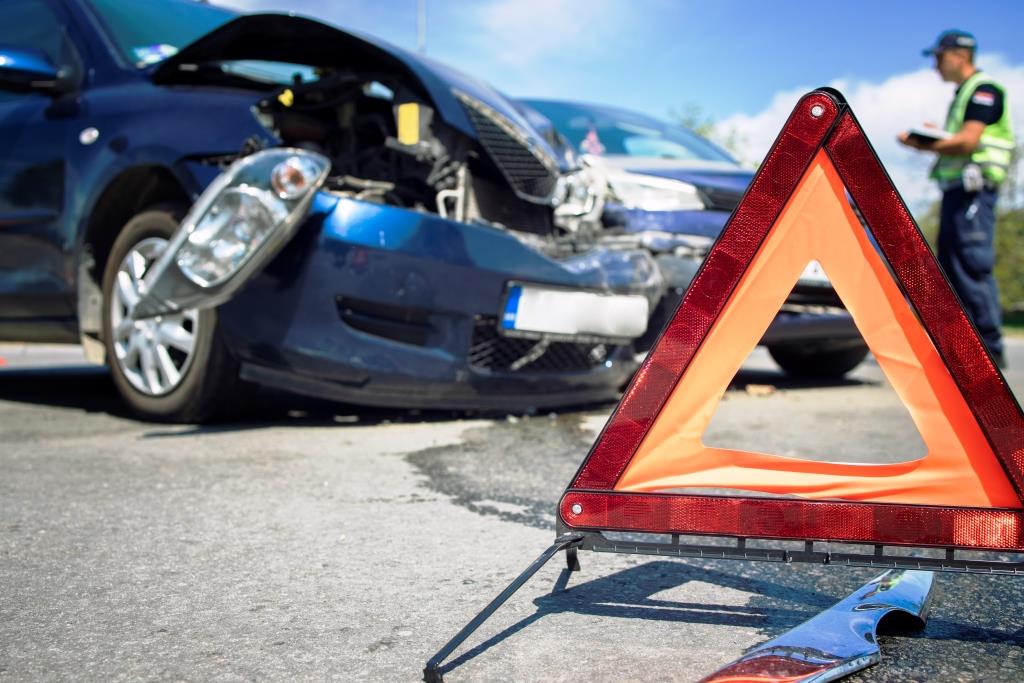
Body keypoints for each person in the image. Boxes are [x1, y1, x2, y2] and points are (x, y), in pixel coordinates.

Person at [899, 29, 1015, 369]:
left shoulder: (984, 90)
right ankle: (963, 351)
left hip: (973, 193)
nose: (935, 65)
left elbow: (967, 142)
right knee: (951, 267)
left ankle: (989, 354)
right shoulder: (965, 94)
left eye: (938, 57)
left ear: (959, 56)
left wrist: (923, 143)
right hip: (958, 193)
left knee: (971, 265)